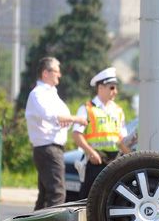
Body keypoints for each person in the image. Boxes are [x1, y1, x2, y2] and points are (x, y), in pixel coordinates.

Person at [24, 57, 85, 210]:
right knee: (57, 194)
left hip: (51, 148)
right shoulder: (38, 94)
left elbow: (61, 116)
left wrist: (66, 119)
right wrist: (76, 118)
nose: (60, 75)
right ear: (45, 73)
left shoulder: (51, 94)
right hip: (47, 148)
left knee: (46, 195)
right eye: (56, 71)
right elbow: (51, 115)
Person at [72, 67, 129, 199]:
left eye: (115, 88)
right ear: (100, 88)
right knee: (88, 199)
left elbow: (122, 138)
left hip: (116, 161)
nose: (115, 92)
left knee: (114, 199)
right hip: (95, 161)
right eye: (112, 88)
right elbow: (76, 134)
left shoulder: (118, 110)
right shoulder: (87, 109)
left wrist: (130, 155)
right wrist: (91, 152)